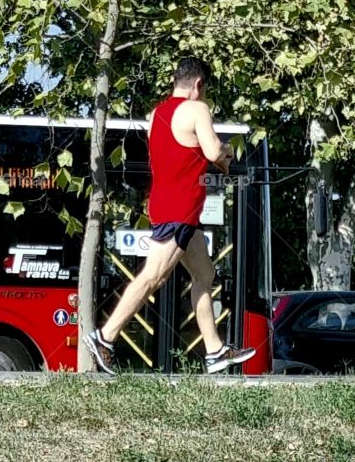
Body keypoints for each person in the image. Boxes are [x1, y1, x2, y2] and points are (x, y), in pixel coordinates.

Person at [84, 56, 256, 375]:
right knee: (153, 275)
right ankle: (105, 337)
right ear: (199, 85)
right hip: (180, 209)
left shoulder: (157, 114)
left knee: (204, 275)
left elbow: (182, 153)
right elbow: (213, 152)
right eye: (205, 90)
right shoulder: (197, 109)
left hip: (168, 206)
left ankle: (215, 350)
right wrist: (228, 153)